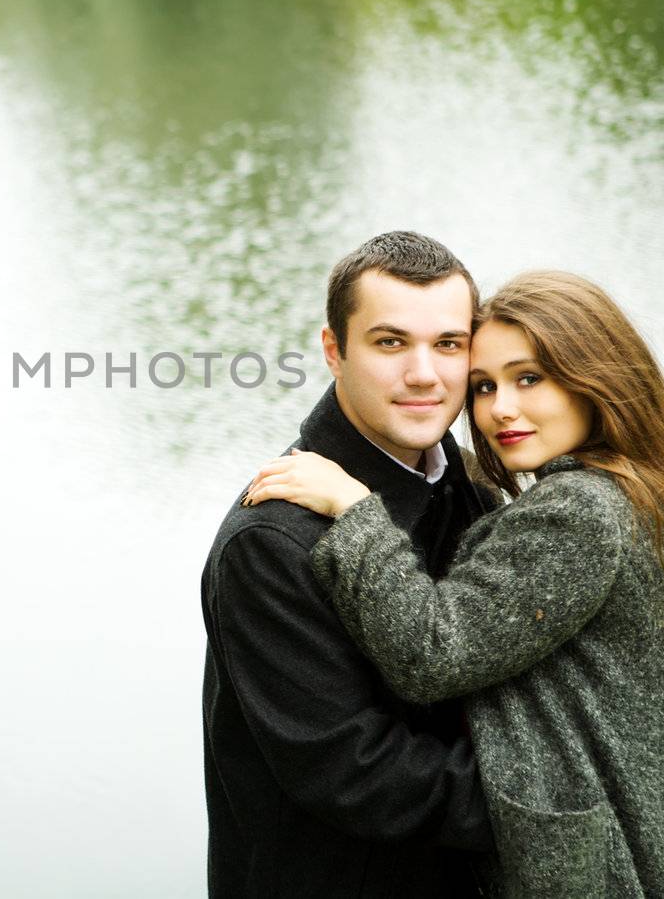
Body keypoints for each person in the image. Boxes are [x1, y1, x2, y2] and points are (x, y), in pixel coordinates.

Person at [244, 271, 664, 897]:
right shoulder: (633, 489)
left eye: (529, 378)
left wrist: (357, 509)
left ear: (599, 380)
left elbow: (432, 654)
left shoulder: (579, 513)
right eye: (483, 386)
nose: (501, 408)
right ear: (334, 350)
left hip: (615, 870)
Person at [202, 231, 496, 898]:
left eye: (448, 343)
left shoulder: (470, 491)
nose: (425, 372)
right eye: (390, 342)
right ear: (335, 350)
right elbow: (356, 771)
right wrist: (551, 794)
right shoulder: (271, 540)